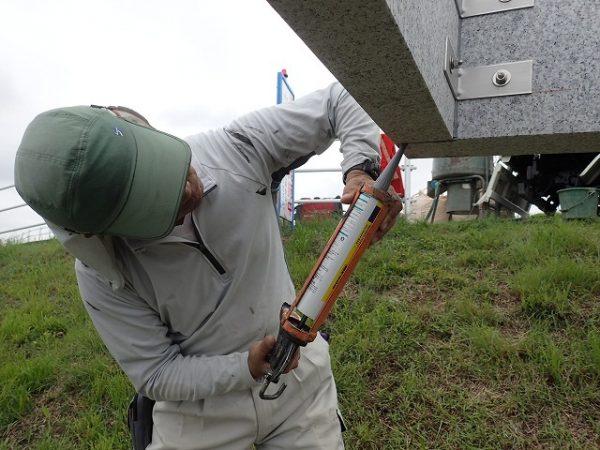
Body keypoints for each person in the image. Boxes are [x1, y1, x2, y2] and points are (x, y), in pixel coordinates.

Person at [14, 83, 402, 449]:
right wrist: (243, 366)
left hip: (300, 376)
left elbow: (340, 99)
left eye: (166, 166)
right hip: (200, 409)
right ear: (100, 233)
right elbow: (156, 373)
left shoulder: (236, 148)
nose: (187, 190)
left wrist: (360, 170)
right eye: (154, 203)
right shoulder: (102, 274)